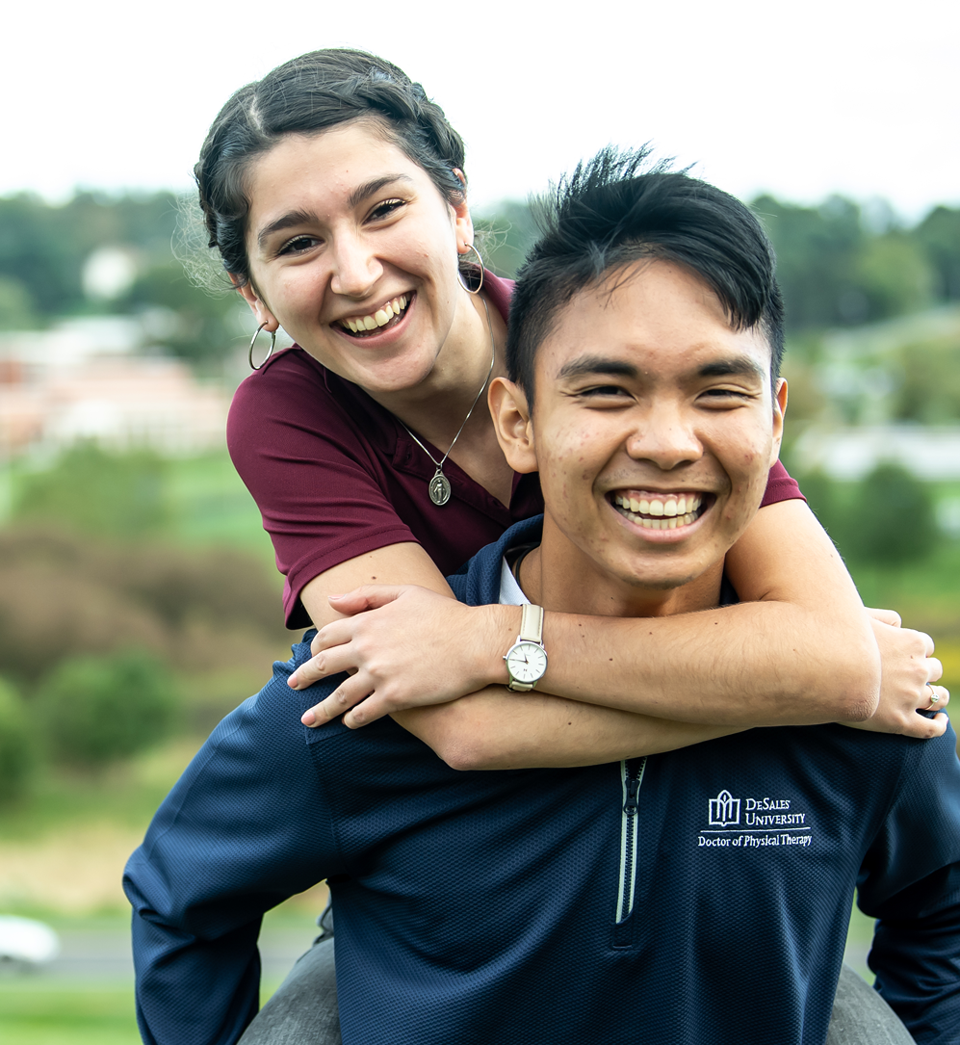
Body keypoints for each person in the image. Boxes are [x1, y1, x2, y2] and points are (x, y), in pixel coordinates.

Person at [125, 151, 960, 1045]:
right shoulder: (373, 687)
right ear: (517, 423)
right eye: (607, 392)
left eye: (719, 391)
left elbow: (942, 910)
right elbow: (181, 895)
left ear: (775, 418)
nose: (670, 442)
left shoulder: (871, 708)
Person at [205, 48, 943, 757]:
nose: (357, 272)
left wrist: (487, 641)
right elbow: (469, 726)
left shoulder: (604, 347)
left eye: (385, 208)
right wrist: (789, 697)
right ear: (254, 292)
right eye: (299, 244)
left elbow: (832, 656)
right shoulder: (286, 418)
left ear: (456, 211)